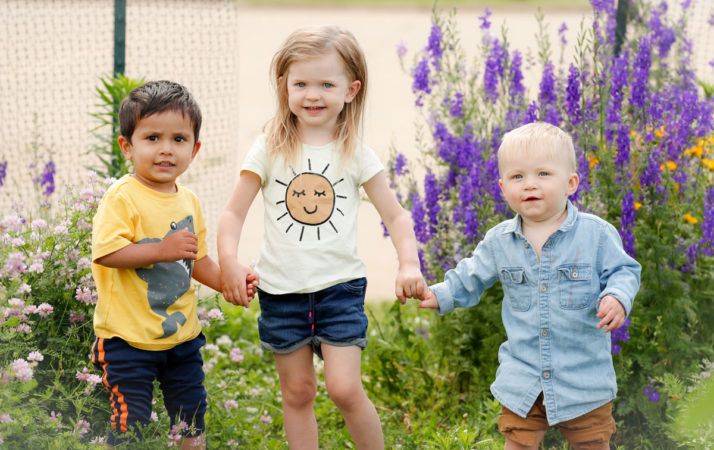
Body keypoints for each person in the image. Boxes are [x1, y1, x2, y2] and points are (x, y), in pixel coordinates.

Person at [218, 26, 425, 449]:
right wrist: (229, 262)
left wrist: (408, 263)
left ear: (351, 90)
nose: (313, 95)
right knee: (298, 393)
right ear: (284, 87)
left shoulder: (356, 153)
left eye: (326, 84)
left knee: (345, 389)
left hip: (339, 290)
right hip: (281, 292)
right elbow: (233, 213)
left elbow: (397, 216)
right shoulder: (269, 148)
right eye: (302, 84)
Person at [418, 122, 641, 450]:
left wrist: (617, 297)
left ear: (571, 183)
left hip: (583, 376)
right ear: (502, 187)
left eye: (543, 174)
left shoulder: (595, 234)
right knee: (518, 442)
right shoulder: (499, 241)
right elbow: (470, 276)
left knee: (591, 442)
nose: (529, 185)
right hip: (523, 374)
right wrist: (437, 294)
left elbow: (624, 271)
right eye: (517, 176)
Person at [90, 80, 256, 448]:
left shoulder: (189, 200)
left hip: (181, 339)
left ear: (195, 149)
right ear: (127, 147)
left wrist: (229, 281)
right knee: (128, 426)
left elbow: (195, 260)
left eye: (178, 140)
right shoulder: (122, 197)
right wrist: (161, 250)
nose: (166, 150)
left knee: (191, 421)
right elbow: (106, 253)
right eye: (152, 138)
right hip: (126, 340)